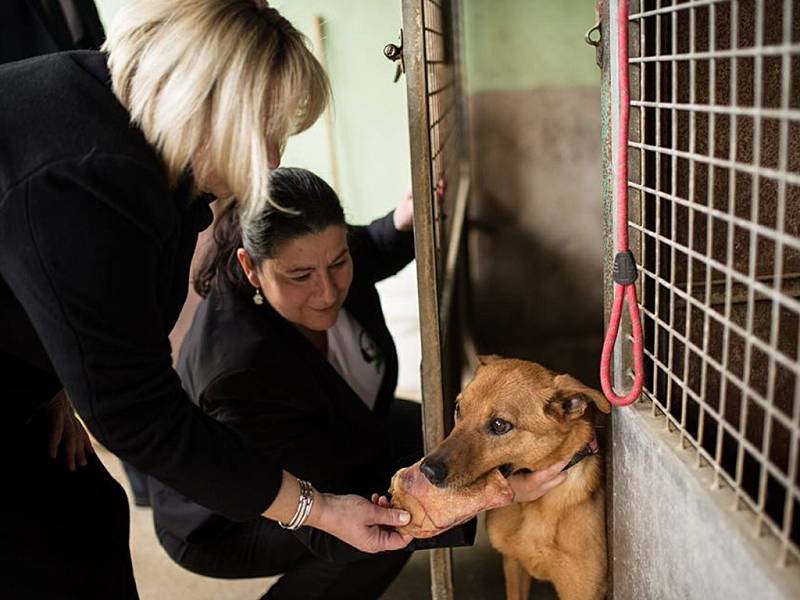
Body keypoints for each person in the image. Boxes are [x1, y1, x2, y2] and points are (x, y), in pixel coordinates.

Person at [0, 2, 411, 598]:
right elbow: (139, 417)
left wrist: (56, 371)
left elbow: (62, 285)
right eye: (263, 131)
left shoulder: (125, 129)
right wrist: (314, 510)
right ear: (205, 103)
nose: (270, 159)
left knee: (88, 521)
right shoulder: (82, 178)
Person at [149, 168, 571, 599]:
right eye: (301, 277)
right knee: (376, 526)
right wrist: (497, 492)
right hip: (234, 517)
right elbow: (328, 515)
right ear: (251, 268)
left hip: (337, 431)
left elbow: (369, 247)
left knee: (442, 433)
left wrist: (403, 220)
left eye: (339, 262)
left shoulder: (316, 259)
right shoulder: (239, 374)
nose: (329, 291)